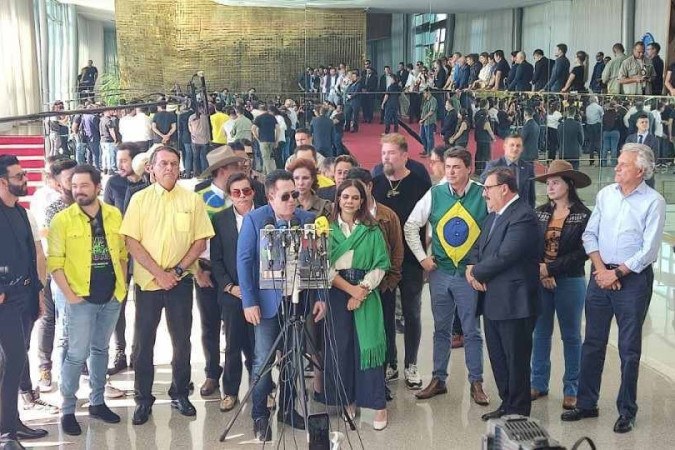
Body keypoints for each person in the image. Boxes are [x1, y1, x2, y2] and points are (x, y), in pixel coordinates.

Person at [562, 144, 666, 434]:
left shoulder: (653, 202)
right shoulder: (606, 195)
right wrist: (602, 271)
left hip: (633, 280)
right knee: (592, 343)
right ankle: (586, 403)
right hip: (601, 274)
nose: (616, 168)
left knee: (629, 350)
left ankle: (626, 411)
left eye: (623, 164)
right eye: (618, 163)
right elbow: (590, 234)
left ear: (640, 171)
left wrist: (617, 272)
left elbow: (649, 250)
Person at [119, 145, 215, 425]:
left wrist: (176, 270)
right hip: (149, 284)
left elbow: (200, 241)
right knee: (143, 344)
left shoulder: (192, 200)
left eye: (174, 163)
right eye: (163, 164)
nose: (169, 168)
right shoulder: (140, 199)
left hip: (180, 282)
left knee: (182, 341)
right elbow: (131, 241)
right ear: (151, 167)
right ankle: (143, 399)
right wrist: (159, 273)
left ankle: (180, 393)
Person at [237, 170, 326, 441]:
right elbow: (244, 261)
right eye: (285, 196)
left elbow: (318, 260)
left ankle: (288, 408)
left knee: (293, 357)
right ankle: (260, 414)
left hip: (297, 301)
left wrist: (321, 296)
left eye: (295, 195)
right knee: (263, 359)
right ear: (271, 196)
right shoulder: (255, 220)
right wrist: (249, 302)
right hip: (266, 304)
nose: (292, 201)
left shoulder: (308, 220)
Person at [405, 148, 490, 405]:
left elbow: (496, 228)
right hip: (440, 272)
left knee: (471, 330)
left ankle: (476, 382)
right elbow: (411, 226)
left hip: (469, 273)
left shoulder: (482, 193)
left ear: (469, 168)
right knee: (441, 329)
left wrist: (483, 266)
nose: (451, 171)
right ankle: (438, 378)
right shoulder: (435, 193)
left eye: (456, 167)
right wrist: (422, 257)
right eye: (448, 166)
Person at [48, 165, 127, 435]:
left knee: (101, 350)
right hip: (80, 299)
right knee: (75, 354)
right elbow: (55, 263)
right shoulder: (62, 220)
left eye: (84, 185)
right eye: (74, 186)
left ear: (97, 187)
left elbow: (122, 253)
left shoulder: (114, 215)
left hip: (111, 296)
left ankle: (97, 401)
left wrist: (123, 286)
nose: (78, 190)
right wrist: (71, 296)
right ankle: (68, 409)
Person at [466, 167, 541, 420]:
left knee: (515, 359)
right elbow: (478, 248)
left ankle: (518, 411)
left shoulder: (523, 216)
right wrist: (471, 269)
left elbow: (507, 255)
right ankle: (507, 403)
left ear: (504, 188)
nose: (484, 194)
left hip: (515, 303)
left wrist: (476, 273)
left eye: (487, 188)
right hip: (492, 301)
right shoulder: (493, 217)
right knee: (498, 357)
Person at [324, 179, 390, 430]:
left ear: (362, 201)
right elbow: (324, 266)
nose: (349, 201)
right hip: (337, 292)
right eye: (345, 196)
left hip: (366, 291)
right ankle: (348, 401)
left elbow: (381, 264)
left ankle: (378, 405)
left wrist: (360, 291)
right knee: (343, 348)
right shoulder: (327, 230)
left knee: (368, 348)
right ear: (338, 199)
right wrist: (350, 290)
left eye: (355, 197)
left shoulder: (372, 230)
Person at [529, 160, 592, 411]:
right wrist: (541, 270)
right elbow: (530, 244)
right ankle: (538, 383)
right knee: (540, 334)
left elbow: (583, 252)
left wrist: (550, 268)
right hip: (541, 280)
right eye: (548, 183)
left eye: (555, 182)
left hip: (571, 280)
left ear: (569, 184)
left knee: (571, 336)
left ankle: (571, 388)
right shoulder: (540, 212)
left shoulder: (583, 215)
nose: (550, 186)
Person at [372, 133, 431, 390]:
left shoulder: (419, 183)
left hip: (411, 260)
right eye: (383, 153)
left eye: (391, 153)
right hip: (383, 263)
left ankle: (411, 364)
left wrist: (426, 256)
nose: (386, 157)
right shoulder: (374, 184)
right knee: (384, 315)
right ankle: (391, 363)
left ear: (405, 155)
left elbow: (430, 222)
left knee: (412, 313)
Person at [0, 155, 49, 448]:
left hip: (25, 296)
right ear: (2, 182)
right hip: (4, 301)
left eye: (25, 174)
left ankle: (12, 423)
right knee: (12, 361)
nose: (25, 179)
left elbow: (31, 256)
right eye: (19, 176)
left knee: (17, 360)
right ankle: (7, 435)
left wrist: (38, 293)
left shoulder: (19, 211)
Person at [194, 146, 245, 398]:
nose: (241, 170)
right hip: (206, 272)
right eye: (236, 166)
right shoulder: (199, 198)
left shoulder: (244, 196)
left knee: (239, 326)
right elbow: (191, 237)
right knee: (210, 324)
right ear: (223, 170)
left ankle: (249, 373)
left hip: (236, 274)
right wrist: (196, 270)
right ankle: (212, 372)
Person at [345, 168, 403, 389]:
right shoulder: (337, 220)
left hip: (381, 285)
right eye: (347, 194)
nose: (352, 198)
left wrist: (389, 282)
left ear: (368, 188)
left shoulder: (386, 215)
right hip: (347, 286)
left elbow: (396, 252)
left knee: (382, 332)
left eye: (358, 191)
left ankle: (383, 377)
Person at [210, 173, 258, 412]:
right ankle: (230, 391)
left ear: (253, 192)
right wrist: (230, 287)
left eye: (246, 191)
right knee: (232, 344)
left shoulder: (265, 217)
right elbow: (216, 260)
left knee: (259, 345)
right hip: (231, 294)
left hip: (260, 294)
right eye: (236, 192)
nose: (242, 196)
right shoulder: (220, 220)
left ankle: (262, 389)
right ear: (229, 195)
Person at [103, 142, 144, 375]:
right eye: (118, 160)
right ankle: (119, 351)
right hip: (120, 253)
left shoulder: (149, 183)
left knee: (144, 307)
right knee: (118, 304)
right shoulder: (114, 183)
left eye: (125, 160)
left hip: (144, 254)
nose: (120, 164)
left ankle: (139, 351)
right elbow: (110, 215)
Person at [481, 134, 535, 207]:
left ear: (522, 148)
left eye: (518, 146)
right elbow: (483, 188)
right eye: (512, 145)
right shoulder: (493, 166)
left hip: (522, 213)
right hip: (499, 211)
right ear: (504, 146)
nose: (515, 148)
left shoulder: (528, 168)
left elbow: (531, 196)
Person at [419, 88, 438, 156]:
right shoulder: (425, 100)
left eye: (424, 93)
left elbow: (431, 112)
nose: (423, 95)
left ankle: (430, 152)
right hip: (424, 121)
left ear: (428, 92)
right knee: (422, 136)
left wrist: (423, 119)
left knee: (429, 137)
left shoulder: (433, 100)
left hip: (429, 121)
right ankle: (426, 149)